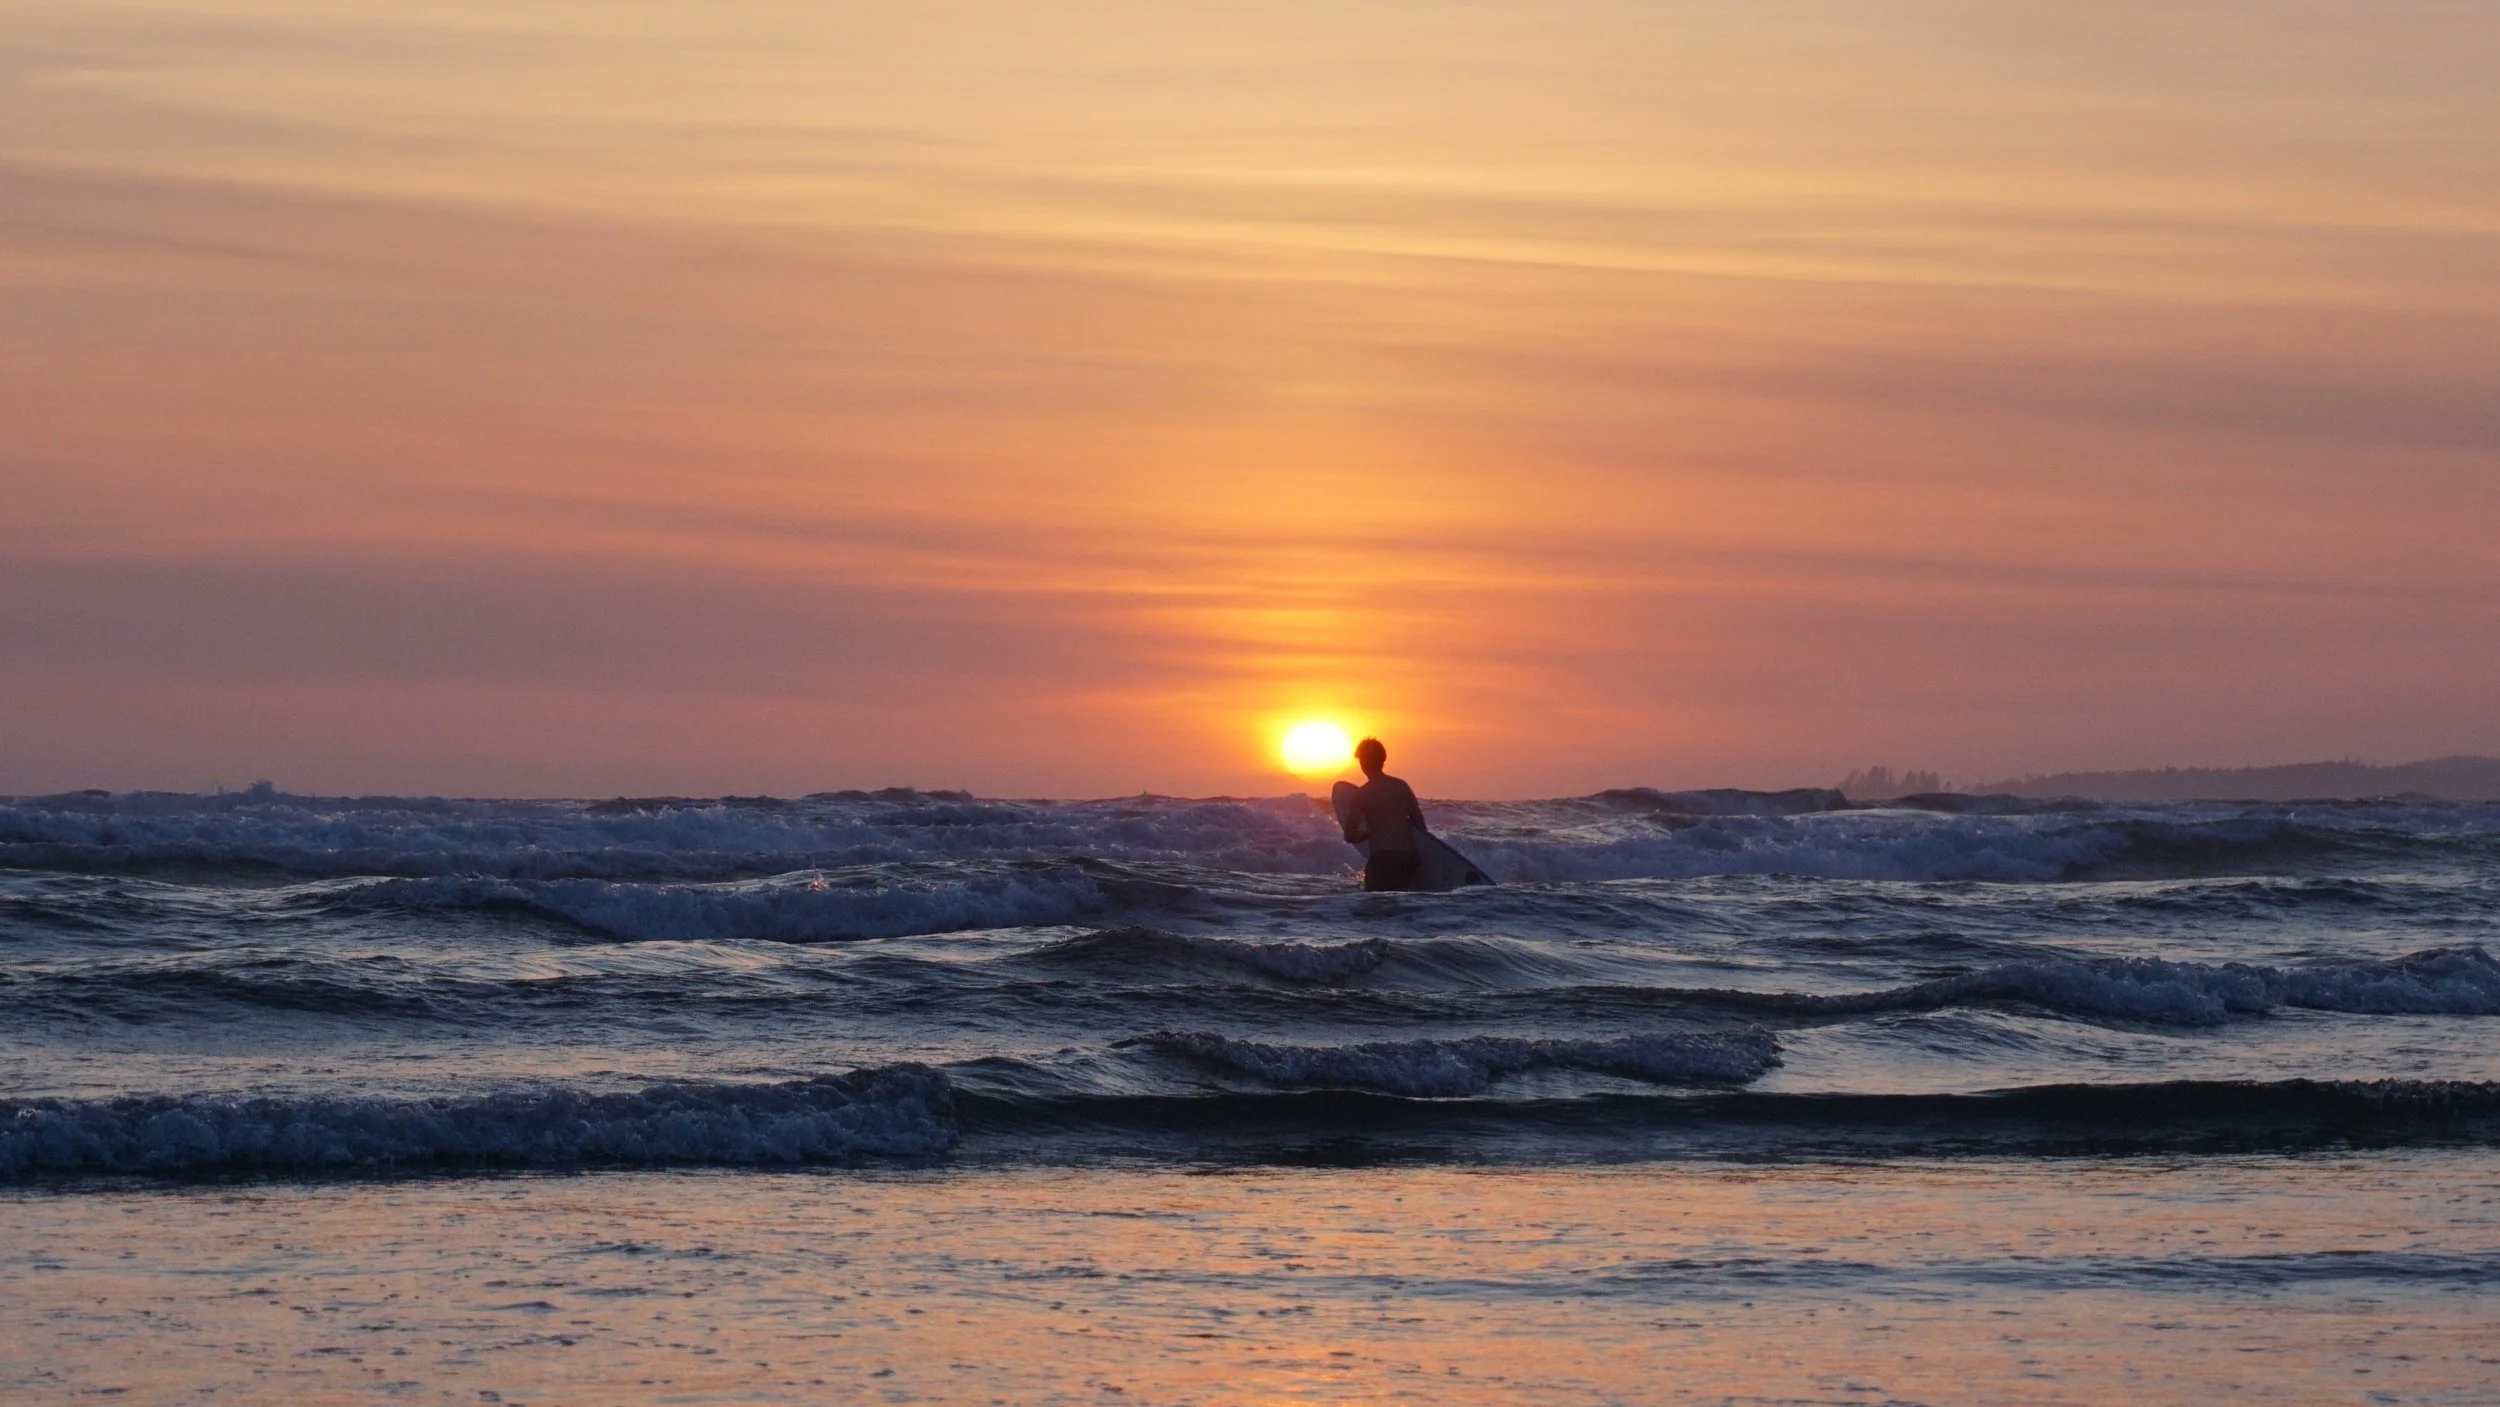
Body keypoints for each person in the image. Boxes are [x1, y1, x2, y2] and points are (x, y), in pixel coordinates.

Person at [1341, 737, 1427, 891]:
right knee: (1402, 908)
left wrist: (1367, 833)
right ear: (1383, 760)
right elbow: (1420, 824)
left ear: (1362, 763)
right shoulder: (1401, 786)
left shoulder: (1362, 794)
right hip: (1407, 860)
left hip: (1382, 861)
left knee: (1377, 911)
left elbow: (1349, 835)